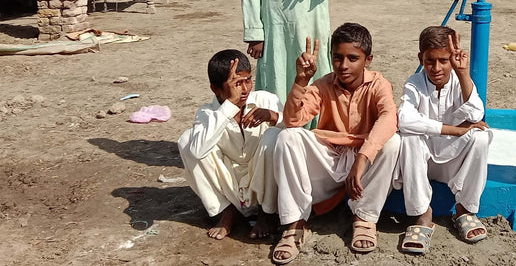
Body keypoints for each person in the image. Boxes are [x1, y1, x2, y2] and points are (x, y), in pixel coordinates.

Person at [271, 23, 399, 264]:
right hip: (331, 159)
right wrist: (300, 81)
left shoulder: (378, 85)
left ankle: (364, 218)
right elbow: (292, 120)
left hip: (364, 164)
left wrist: (362, 157)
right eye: (337, 57)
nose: (344, 65)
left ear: (367, 60)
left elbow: (389, 117)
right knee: (288, 137)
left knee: (393, 142)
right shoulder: (322, 85)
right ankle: (294, 223)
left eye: (353, 58)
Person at [395, 26, 491, 254]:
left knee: (481, 136)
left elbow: (477, 115)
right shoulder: (415, 83)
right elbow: (404, 119)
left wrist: (463, 72)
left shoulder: (460, 82)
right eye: (430, 61)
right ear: (421, 58)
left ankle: (464, 210)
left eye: (443, 61)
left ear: (452, 60)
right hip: (422, 162)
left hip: (453, 164)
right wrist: (452, 130)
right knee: (408, 136)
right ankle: (422, 214)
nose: (436, 68)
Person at [176, 49, 282, 241]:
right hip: (231, 187)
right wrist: (229, 106)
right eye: (235, 84)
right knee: (187, 141)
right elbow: (197, 152)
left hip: (263, 184)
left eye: (247, 80)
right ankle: (227, 212)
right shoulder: (207, 113)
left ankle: (267, 213)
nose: (244, 90)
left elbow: (294, 133)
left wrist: (273, 117)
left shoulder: (266, 100)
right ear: (215, 89)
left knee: (275, 136)